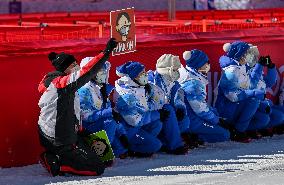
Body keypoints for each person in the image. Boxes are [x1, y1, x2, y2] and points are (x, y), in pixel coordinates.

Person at [37, 38, 117, 176]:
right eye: (74, 65)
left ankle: (60, 155)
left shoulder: (63, 85)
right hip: (58, 138)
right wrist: (106, 52)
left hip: (62, 133)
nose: (77, 67)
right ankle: (56, 162)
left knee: (102, 158)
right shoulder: (61, 84)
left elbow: (71, 112)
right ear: (65, 69)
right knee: (97, 168)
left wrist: (80, 131)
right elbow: (87, 72)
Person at [78, 58, 129, 159]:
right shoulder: (84, 90)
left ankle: (107, 151)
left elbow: (112, 114)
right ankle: (101, 156)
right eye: (100, 71)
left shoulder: (102, 88)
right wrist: (108, 112)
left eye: (104, 71)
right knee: (110, 122)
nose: (104, 73)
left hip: (101, 123)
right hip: (87, 127)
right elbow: (85, 116)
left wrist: (121, 133)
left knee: (122, 148)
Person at [215, 41, 265, 142]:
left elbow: (251, 85)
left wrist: (259, 66)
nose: (248, 56)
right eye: (246, 53)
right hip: (226, 109)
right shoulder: (231, 71)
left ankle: (241, 129)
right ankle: (238, 131)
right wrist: (253, 93)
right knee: (253, 100)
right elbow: (233, 96)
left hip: (235, 106)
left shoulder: (240, 67)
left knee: (264, 119)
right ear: (240, 54)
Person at [179, 49, 230, 143]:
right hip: (192, 120)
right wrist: (216, 120)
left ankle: (191, 134)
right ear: (198, 64)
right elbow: (200, 110)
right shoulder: (194, 83)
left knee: (214, 114)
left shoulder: (189, 75)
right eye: (206, 62)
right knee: (224, 134)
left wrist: (214, 113)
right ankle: (193, 136)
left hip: (190, 117)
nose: (208, 65)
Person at [148, 54, 194, 148]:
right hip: (153, 118)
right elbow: (144, 104)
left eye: (178, 69)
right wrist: (158, 112)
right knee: (168, 109)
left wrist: (180, 108)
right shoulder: (151, 82)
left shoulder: (174, 83)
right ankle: (175, 145)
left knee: (185, 121)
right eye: (174, 70)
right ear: (166, 69)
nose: (177, 72)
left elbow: (178, 99)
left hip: (168, 117)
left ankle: (164, 142)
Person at [245, 45, 284, 136]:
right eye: (252, 55)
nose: (255, 57)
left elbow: (269, 82)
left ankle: (262, 128)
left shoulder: (256, 67)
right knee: (264, 118)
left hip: (262, 102)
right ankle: (248, 129)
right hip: (249, 104)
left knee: (280, 115)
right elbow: (252, 84)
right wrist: (259, 66)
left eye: (255, 55)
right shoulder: (240, 69)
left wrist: (271, 67)